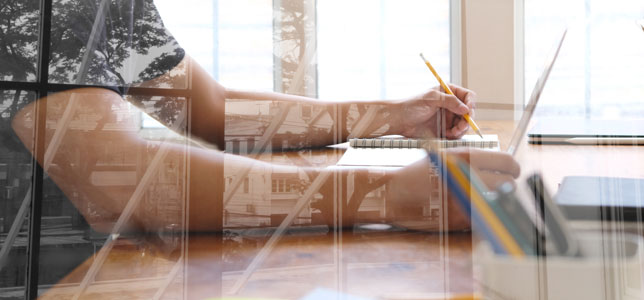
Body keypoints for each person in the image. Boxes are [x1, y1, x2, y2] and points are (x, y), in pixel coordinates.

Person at [10, 0, 520, 233]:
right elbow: (114, 181)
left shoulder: (109, 6)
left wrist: (393, 116)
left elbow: (218, 113)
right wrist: (381, 195)